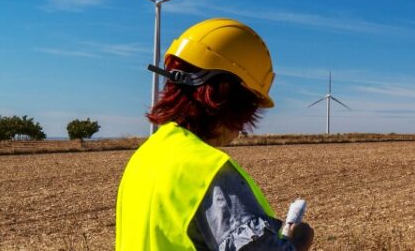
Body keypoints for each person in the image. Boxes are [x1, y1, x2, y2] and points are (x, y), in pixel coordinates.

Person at [116, 18, 314, 251]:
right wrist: (298, 240)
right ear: (225, 97)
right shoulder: (207, 171)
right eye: (250, 106)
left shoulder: (145, 157)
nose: (243, 127)